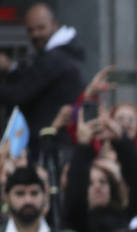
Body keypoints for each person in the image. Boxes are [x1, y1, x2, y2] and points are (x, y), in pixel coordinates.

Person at [0, 4, 84, 138]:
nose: (35, 34)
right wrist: (11, 68)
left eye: (41, 28)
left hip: (51, 143)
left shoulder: (55, 58)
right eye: (30, 30)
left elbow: (20, 93)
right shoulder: (63, 53)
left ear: (55, 25)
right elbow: (30, 81)